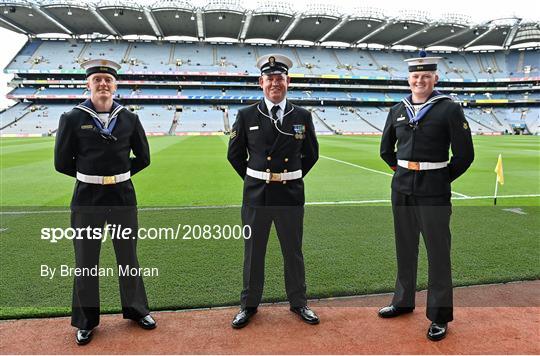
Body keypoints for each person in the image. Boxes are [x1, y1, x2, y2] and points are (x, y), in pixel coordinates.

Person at [54, 59, 156, 345]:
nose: (103, 84)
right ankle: (86, 321)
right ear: (88, 85)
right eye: (97, 79)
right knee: (86, 260)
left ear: (115, 85)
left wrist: (119, 176)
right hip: (87, 198)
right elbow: (61, 163)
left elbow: (144, 158)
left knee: (128, 257)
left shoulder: (129, 118)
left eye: (107, 80)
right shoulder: (72, 118)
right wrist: (92, 177)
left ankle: (136, 310)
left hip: (123, 196)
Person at [379, 51, 474, 341]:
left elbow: (464, 155)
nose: (420, 80)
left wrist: (438, 178)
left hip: (433, 191)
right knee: (405, 249)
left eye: (425, 76)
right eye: (415, 76)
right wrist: (405, 173)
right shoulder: (397, 109)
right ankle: (403, 301)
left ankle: (440, 316)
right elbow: (386, 151)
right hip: (402, 188)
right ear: (409, 79)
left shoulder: (449, 109)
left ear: (435, 78)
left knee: (438, 254)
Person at [227, 54, 319, 328]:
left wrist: (288, 177)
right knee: (253, 252)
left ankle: (299, 302)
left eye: (280, 78)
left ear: (287, 82)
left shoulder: (301, 115)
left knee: (293, 251)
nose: (275, 83)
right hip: (256, 196)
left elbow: (311, 155)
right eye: (270, 79)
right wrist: (257, 178)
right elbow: (234, 156)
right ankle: (249, 305)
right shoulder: (246, 116)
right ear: (261, 82)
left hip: (290, 195)